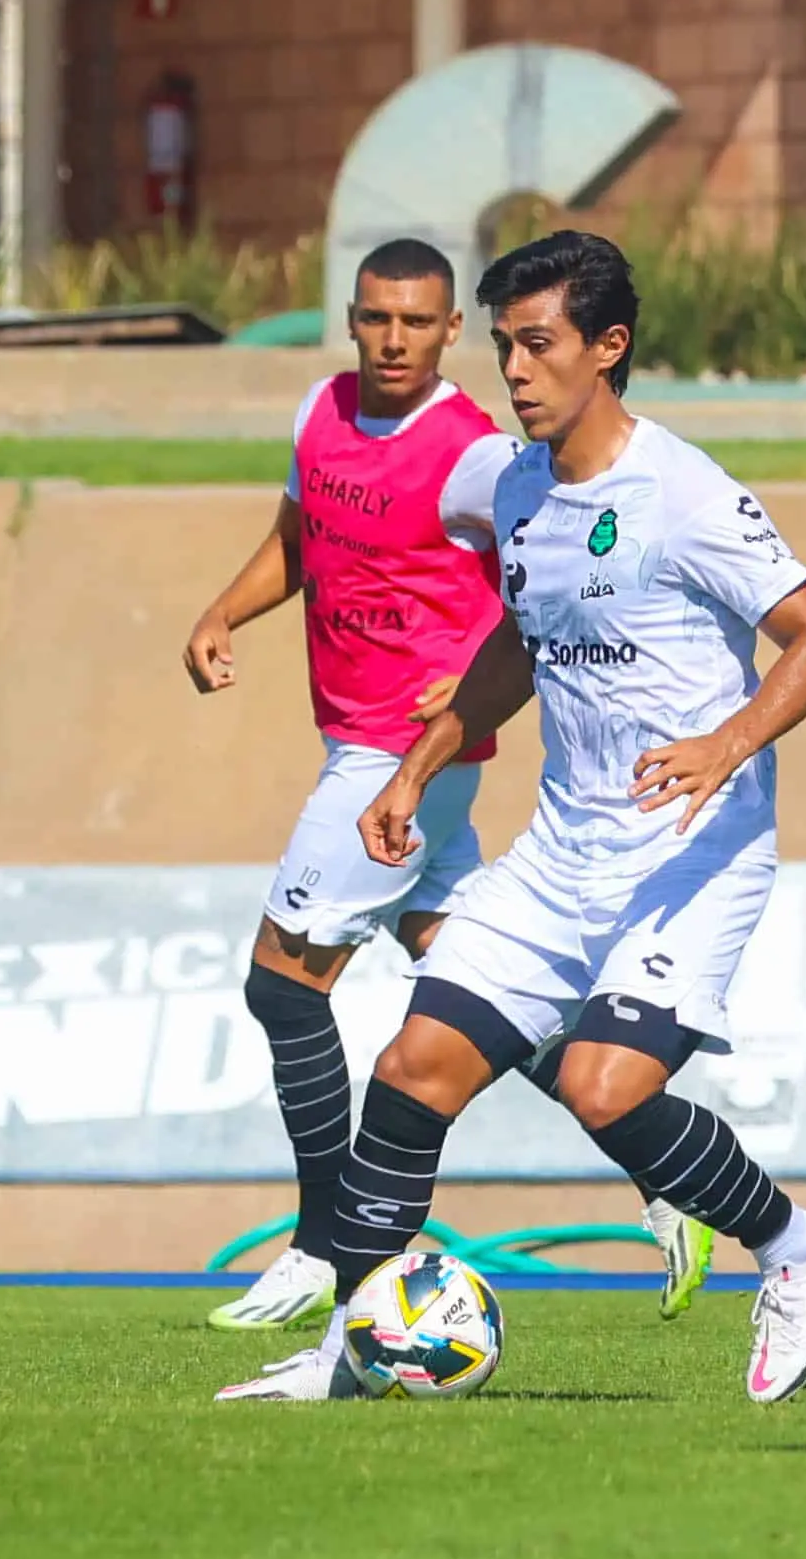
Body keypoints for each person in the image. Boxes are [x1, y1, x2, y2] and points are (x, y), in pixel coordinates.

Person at [216, 230, 806, 1405]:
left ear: (608, 348)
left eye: (540, 345)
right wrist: (419, 766)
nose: (514, 372)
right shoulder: (516, 486)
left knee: (604, 1088)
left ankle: (796, 1245)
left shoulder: (684, 494)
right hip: (561, 850)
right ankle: (350, 1352)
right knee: (412, 1072)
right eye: (506, 345)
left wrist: (725, 744)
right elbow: (520, 638)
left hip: (688, 856)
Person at [182, 239, 714, 1333]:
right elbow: (301, 541)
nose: (393, 340)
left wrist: (466, 672)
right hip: (361, 742)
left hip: (399, 753)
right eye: (376, 318)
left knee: (283, 986)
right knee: (480, 986)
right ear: (351, 316)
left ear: (448, 334)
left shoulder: (473, 453)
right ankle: (668, 1171)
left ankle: (324, 1245)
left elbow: (533, 568)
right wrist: (223, 612)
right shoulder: (319, 415)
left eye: (417, 324)